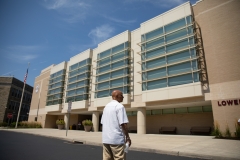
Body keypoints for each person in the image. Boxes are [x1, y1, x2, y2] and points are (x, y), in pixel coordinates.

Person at [101, 90, 131, 160]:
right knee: (119, 158)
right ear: (117, 96)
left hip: (106, 139)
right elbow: (123, 124)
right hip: (117, 140)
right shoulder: (120, 107)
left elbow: (103, 122)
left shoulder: (106, 107)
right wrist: (128, 137)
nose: (123, 97)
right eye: (122, 95)